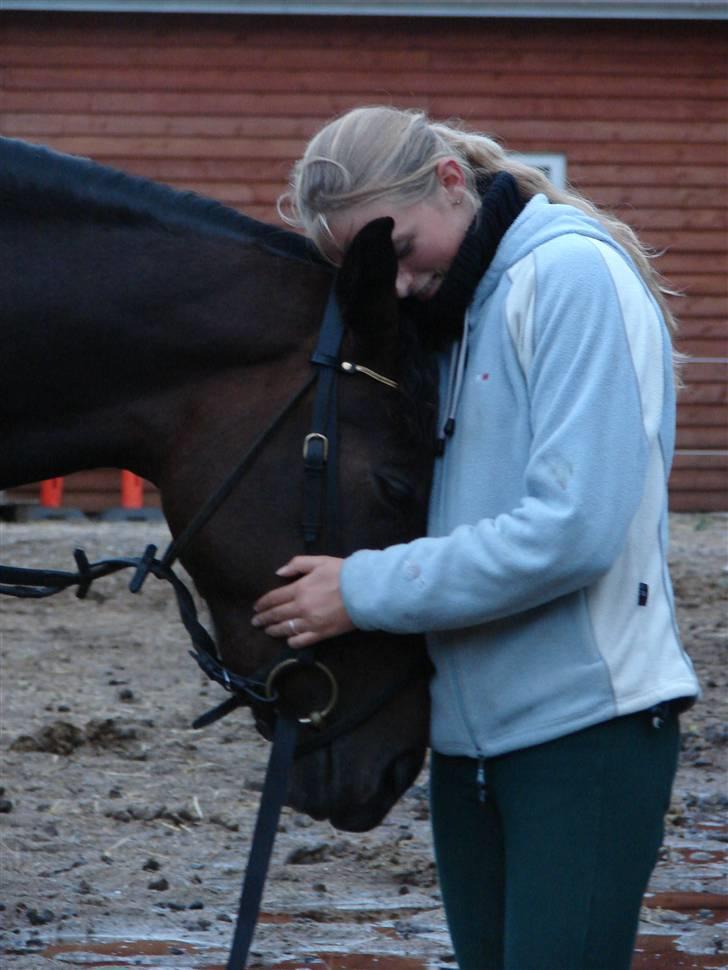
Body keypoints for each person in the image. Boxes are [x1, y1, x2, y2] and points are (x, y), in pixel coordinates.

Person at [251, 106, 700, 969]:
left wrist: (361, 590)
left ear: (451, 184)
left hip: (587, 734)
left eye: (402, 251)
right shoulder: (455, 313)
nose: (398, 285)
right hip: (469, 746)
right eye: (369, 272)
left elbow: (573, 531)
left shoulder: (569, 275)